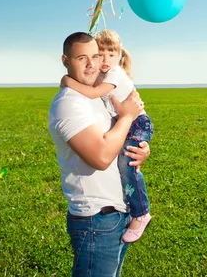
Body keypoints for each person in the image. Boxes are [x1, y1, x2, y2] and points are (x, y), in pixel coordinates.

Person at [48, 32, 150, 277]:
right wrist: (126, 117)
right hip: (96, 219)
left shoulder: (93, 93)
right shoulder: (69, 103)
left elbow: (115, 139)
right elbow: (102, 157)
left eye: (95, 56)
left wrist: (139, 149)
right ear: (65, 60)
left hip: (118, 212)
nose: (92, 63)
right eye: (82, 57)